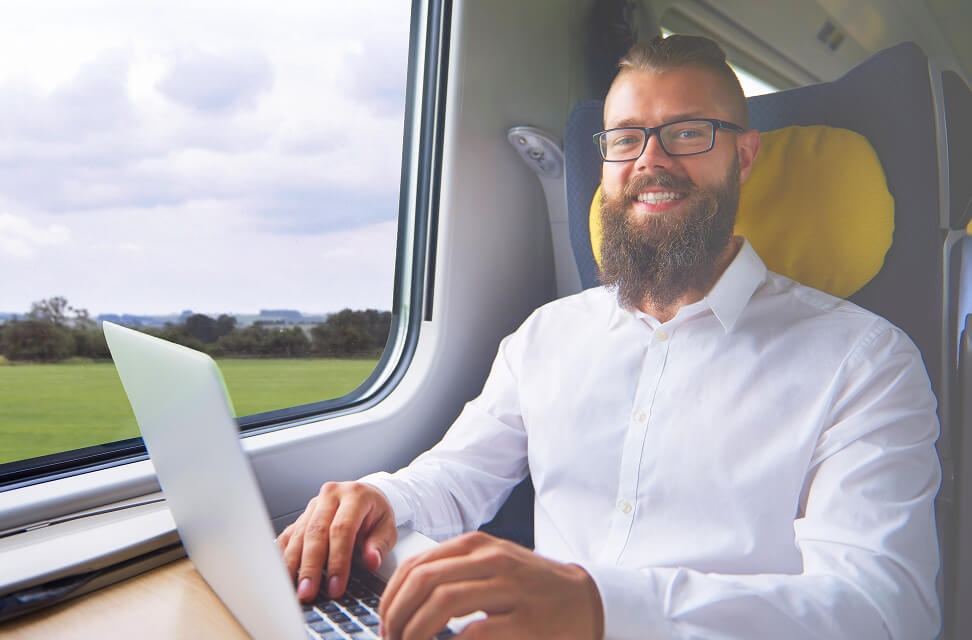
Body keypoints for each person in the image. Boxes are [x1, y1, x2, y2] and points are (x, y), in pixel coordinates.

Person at [277, 34, 941, 640]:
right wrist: (375, 502)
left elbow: (886, 609)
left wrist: (599, 604)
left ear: (743, 156)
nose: (651, 161)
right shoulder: (546, 336)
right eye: (625, 138)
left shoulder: (866, 361)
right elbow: (455, 480)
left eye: (686, 133)